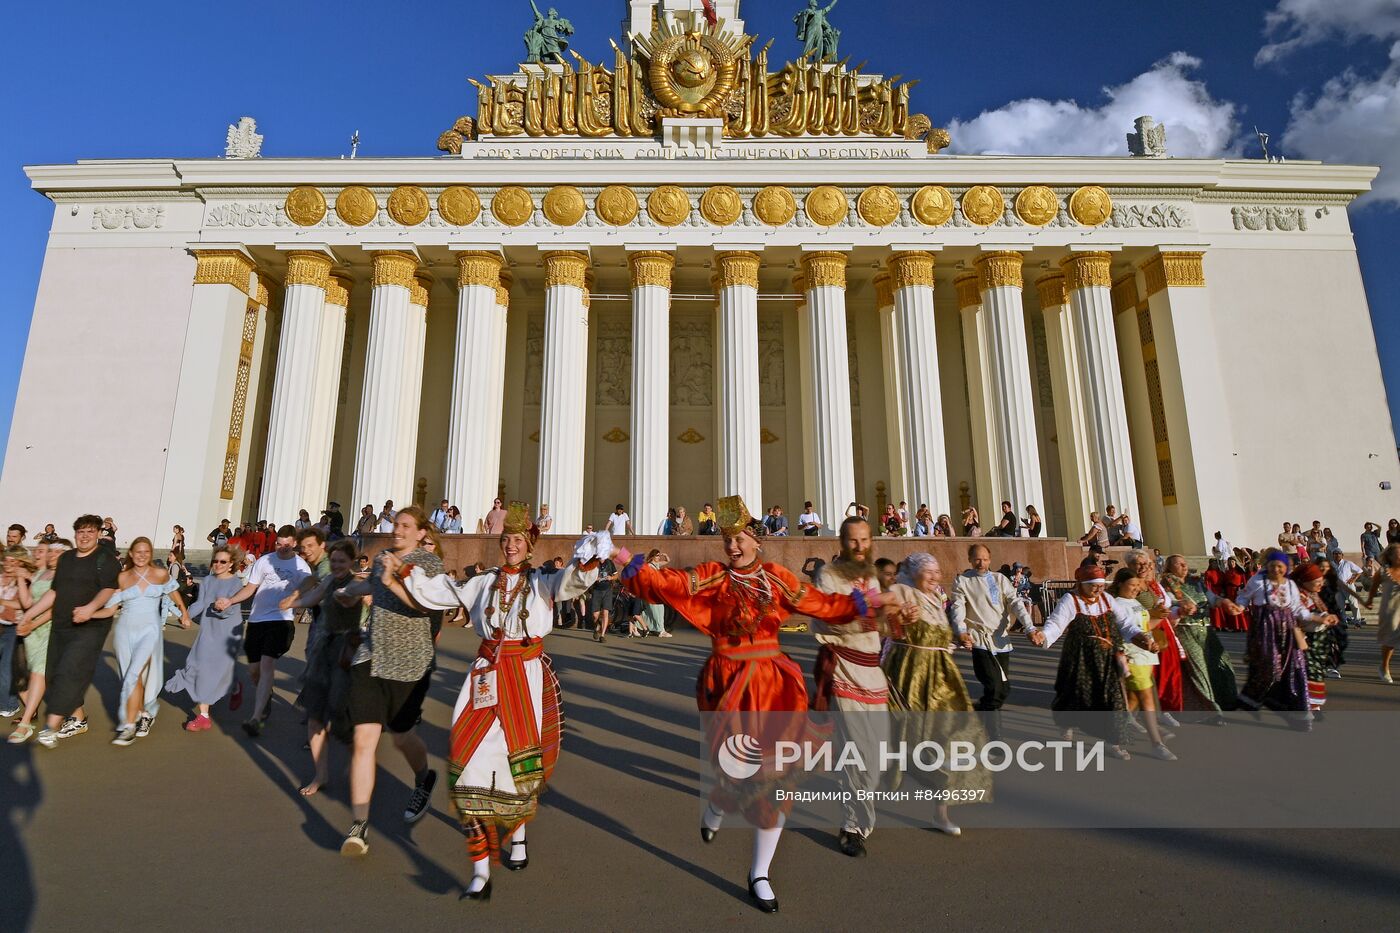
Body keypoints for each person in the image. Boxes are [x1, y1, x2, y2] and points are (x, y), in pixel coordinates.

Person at [617, 496, 891, 913]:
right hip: (728, 684)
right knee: (737, 769)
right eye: (728, 539)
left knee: (776, 779)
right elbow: (666, 584)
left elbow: (817, 603)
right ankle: (718, 802)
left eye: (740, 539)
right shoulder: (713, 576)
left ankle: (759, 872)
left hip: (773, 684)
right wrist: (622, 556)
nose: (733, 546)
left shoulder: (777, 578)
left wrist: (861, 603)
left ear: (757, 541)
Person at [379, 503, 602, 898]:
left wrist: (587, 562)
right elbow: (445, 591)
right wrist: (406, 571)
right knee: (466, 764)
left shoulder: (541, 582)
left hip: (525, 677)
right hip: (484, 675)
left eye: (518, 540)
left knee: (519, 767)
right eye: (506, 539)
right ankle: (481, 869)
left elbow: (571, 583)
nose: (511, 545)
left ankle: (518, 835)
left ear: (529, 545)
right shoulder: (484, 582)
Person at [328, 507, 444, 856]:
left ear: (421, 533)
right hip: (371, 657)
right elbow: (372, 584)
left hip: (410, 663)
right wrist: (350, 590)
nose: (398, 529)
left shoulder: (429, 564)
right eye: (396, 523)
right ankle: (359, 825)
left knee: (401, 736)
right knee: (364, 740)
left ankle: (424, 777)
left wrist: (394, 579)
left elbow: (424, 606)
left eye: (406, 525)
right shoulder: (383, 557)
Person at [882, 551, 986, 835]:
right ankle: (864, 799)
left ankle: (941, 813)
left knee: (948, 742)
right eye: (928, 571)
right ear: (914, 572)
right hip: (908, 675)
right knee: (903, 738)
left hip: (940, 678)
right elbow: (885, 625)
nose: (934, 577)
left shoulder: (937, 598)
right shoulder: (900, 591)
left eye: (937, 572)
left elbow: (940, 636)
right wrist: (900, 620)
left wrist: (959, 638)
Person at [809, 516, 889, 857]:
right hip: (843, 667)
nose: (860, 546)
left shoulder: (870, 575)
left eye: (865, 540)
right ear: (842, 542)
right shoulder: (827, 575)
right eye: (853, 540)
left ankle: (858, 817)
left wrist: (898, 616)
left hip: (873, 671)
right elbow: (826, 619)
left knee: (877, 755)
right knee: (858, 751)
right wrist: (868, 613)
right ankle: (852, 826)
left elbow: (878, 622)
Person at [1029, 562, 1157, 760]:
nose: (1098, 589)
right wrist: (1043, 636)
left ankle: (1113, 742)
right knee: (1076, 695)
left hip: (1107, 657)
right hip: (1080, 656)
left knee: (1113, 698)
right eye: (1093, 586)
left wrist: (1142, 637)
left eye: (1101, 585)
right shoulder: (1071, 600)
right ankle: (1067, 723)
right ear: (1082, 583)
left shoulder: (1107, 599)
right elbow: (1056, 623)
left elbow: (1125, 623)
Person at [17, 515, 120, 748]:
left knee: (70, 670)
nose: (85, 536)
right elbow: (54, 592)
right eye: (80, 532)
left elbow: (108, 589)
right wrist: (29, 615)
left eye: (90, 531)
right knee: (54, 675)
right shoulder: (66, 559)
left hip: (91, 627)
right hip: (62, 625)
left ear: (98, 534)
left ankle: (50, 727)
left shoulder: (105, 559)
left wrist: (90, 608)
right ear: (75, 534)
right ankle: (78, 718)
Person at [215, 525, 313, 736]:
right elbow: (250, 589)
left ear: (294, 543)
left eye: (287, 545)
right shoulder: (264, 561)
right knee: (254, 671)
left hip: (281, 621)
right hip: (257, 621)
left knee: (267, 663)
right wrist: (230, 601)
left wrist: (295, 602)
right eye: (279, 544)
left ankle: (256, 718)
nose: (282, 548)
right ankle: (266, 695)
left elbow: (307, 591)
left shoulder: (302, 567)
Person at [283, 539, 361, 793]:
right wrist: (291, 603)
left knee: (345, 722)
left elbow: (354, 602)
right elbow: (313, 598)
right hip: (322, 653)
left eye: (342, 561)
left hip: (346, 655)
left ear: (351, 562)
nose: (336, 565)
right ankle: (320, 775)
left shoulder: (356, 584)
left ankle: (358, 768)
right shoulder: (328, 580)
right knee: (315, 718)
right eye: (334, 560)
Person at [99, 537, 192, 744]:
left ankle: (129, 724)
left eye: (146, 552)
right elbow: (111, 605)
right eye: (138, 552)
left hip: (150, 631)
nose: (142, 555)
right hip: (125, 631)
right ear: (131, 554)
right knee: (134, 677)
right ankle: (143, 713)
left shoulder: (160, 573)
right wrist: (89, 613)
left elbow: (173, 591)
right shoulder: (123, 577)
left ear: (150, 554)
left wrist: (183, 613)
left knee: (136, 673)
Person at [1223, 550, 1326, 728]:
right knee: (1269, 669)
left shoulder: (1290, 585)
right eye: (1273, 566)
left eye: (1280, 566)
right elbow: (1243, 598)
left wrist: (1317, 618)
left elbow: (1297, 609)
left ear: (1285, 568)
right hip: (1265, 631)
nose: (1276, 569)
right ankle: (1257, 699)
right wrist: (1238, 608)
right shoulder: (1257, 581)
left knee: (1296, 669)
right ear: (1267, 566)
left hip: (1288, 632)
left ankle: (1299, 714)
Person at [950, 544, 1033, 740]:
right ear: (970, 560)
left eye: (985, 559)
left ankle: (978, 711)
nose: (982, 563)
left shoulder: (999, 579)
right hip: (980, 640)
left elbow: (1015, 602)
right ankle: (995, 736)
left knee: (1003, 689)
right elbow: (958, 607)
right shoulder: (963, 581)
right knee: (993, 687)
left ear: (990, 559)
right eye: (977, 559)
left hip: (1001, 640)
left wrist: (1029, 627)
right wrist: (961, 631)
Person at [165, 545, 248, 731]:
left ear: (231, 564)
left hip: (228, 632)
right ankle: (204, 717)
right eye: (215, 561)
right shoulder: (208, 580)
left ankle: (234, 686)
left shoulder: (236, 583)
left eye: (223, 562)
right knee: (199, 664)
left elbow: (231, 610)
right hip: (209, 629)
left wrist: (222, 607)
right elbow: (201, 603)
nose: (218, 564)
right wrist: (185, 615)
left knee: (219, 669)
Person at [1108, 568, 1176, 760]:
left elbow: (1145, 626)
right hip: (1131, 655)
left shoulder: (1135, 602)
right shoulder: (1116, 604)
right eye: (1132, 585)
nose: (1137, 589)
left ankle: (1112, 740)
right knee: (1146, 698)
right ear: (1120, 584)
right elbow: (1126, 630)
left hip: (1146, 654)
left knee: (1133, 701)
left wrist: (1160, 616)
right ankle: (1157, 743)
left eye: (1138, 585)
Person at [1160, 555, 1237, 721]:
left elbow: (1212, 598)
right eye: (1179, 564)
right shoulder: (1166, 585)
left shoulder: (1196, 582)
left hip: (1206, 629)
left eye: (1185, 563)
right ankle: (1209, 710)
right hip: (1185, 630)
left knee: (1221, 661)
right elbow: (1167, 606)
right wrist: (1180, 608)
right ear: (1169, 567)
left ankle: (1227, 700)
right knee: (1199, 669)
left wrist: (1224, 602)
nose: (1184, 566)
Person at [9, 540, 63, 744]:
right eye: (38, 551)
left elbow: (54, 608)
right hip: (31, 631)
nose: (39, 554)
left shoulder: (60, 576)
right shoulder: (40, 574)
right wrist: (20, 578)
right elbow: (27, 603)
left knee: (38, 673)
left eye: (43, 551)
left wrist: (32, 623)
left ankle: (25, 724)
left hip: (48, 629)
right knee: (25, 675)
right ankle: (71, 710)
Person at [1292, 561, 1341, 715]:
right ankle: (1310, 705)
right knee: (1309, 672)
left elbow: (1322, 611)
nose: (1321, 584)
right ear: (1305, 581)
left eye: (1321, 581)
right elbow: (1300, 617)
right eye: (1317, 581)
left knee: (1315, 672)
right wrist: (1320, 619)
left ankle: (1313, 705)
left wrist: (1328, 617)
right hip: (1305, 640)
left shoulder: (1312, 594)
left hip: (1318, 641)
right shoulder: (1299, 596)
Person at [0, 547, 36, 719]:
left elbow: (23, 604)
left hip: (14, 629)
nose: (8, 564)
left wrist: (1, 601)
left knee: (7, 669)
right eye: (6, 560)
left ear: (21, 563)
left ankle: (9, 705)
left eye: (12, 561)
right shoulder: (1, 577)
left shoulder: (25, 581)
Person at [1366, 544, 1400, 682]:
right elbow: (1374, 587)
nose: (1399, 556)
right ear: (1389, 557)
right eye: (1397, 554)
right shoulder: (1383, 571)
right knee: (1390, 639)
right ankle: (1384, 667)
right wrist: (1369, 600)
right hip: (1390, 610)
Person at [587, 554, 619, 642]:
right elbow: (587, 577)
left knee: (605, 612)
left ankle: (602, 635)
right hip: (596, 590)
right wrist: (594, 579)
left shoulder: (609, 563)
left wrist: (611, 577)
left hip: (607, 590)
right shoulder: (594, 563)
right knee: (595, 615)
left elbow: (616, 575)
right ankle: (597, 626)